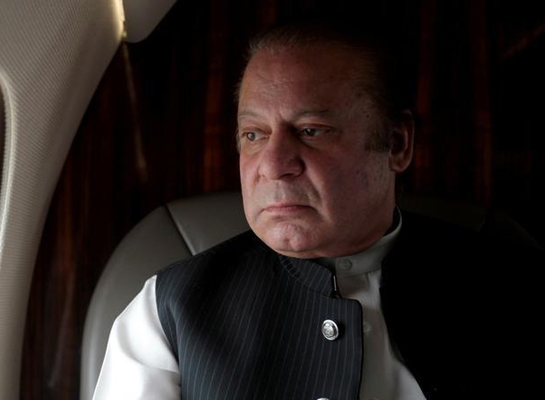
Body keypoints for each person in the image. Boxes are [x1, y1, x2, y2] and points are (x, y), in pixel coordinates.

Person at [91, 19, 543, 400]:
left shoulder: (520, 294)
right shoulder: (166, 311)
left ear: (398, 144)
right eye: (253, 134)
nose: (273, 165)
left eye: (311, 130)